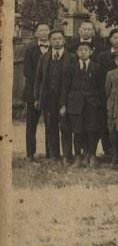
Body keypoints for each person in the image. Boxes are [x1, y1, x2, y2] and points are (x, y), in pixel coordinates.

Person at [34, 29, 75, 162]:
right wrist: (37, 98)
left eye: (59, 39)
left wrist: (67, 102)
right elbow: (38, 79)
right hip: (48, 99)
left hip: (65, 99)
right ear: (50, 41)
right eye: (54, 39)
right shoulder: (44, 57)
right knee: (51, 127)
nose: (57, 41)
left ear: (64, 41)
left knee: (65, 127)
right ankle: (54, 156)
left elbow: (74, 81)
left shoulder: (72, 58)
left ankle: (67, 157)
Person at [62, 41, 104, 166]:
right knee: (77, 130)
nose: (83, 52)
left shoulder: (97, 68)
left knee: (92, 130)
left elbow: (101, 88)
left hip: (92, 104)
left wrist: (99, 104)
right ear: (77, 53)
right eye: (80, 50)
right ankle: (78, 157)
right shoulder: (71, 68)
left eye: (86, 50)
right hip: (75, 104)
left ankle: (91, 156)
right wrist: (63, 104)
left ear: (91, 52)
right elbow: (65, 88)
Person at [22, 22, 51, 162]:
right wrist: (39, 88)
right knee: (31, 124)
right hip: (33, 92)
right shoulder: (30, 50)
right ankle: (30, 153)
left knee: (51, 123)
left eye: (46, 30)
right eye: (41, 30)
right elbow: (27, 72)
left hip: (51, 93)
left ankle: (51, 153)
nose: (44, 32)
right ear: (36, 33)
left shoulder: (55, 48)